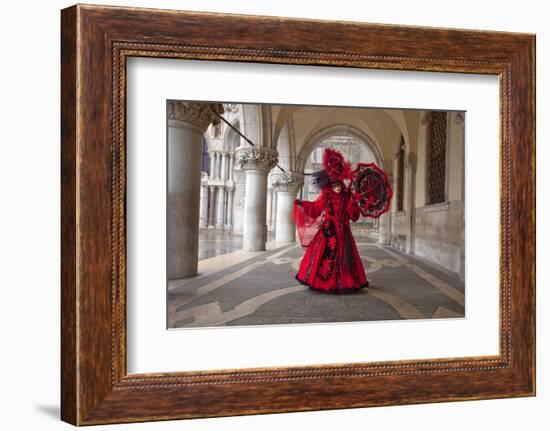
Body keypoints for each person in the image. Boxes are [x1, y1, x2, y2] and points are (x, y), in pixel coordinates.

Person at [294, 149, 369, 294]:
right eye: (335, 185)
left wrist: (353, 204)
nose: (338, 187)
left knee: (345, 259)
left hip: (344, 233)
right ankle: (322, 283)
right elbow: (315, 208)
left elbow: (353, 216)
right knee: (324, 258)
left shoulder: (347, 197)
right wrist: (302, 204)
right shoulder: (325, 196)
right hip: (327, 233)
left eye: (339, 184)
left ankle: (346, 283)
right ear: (329, 185)